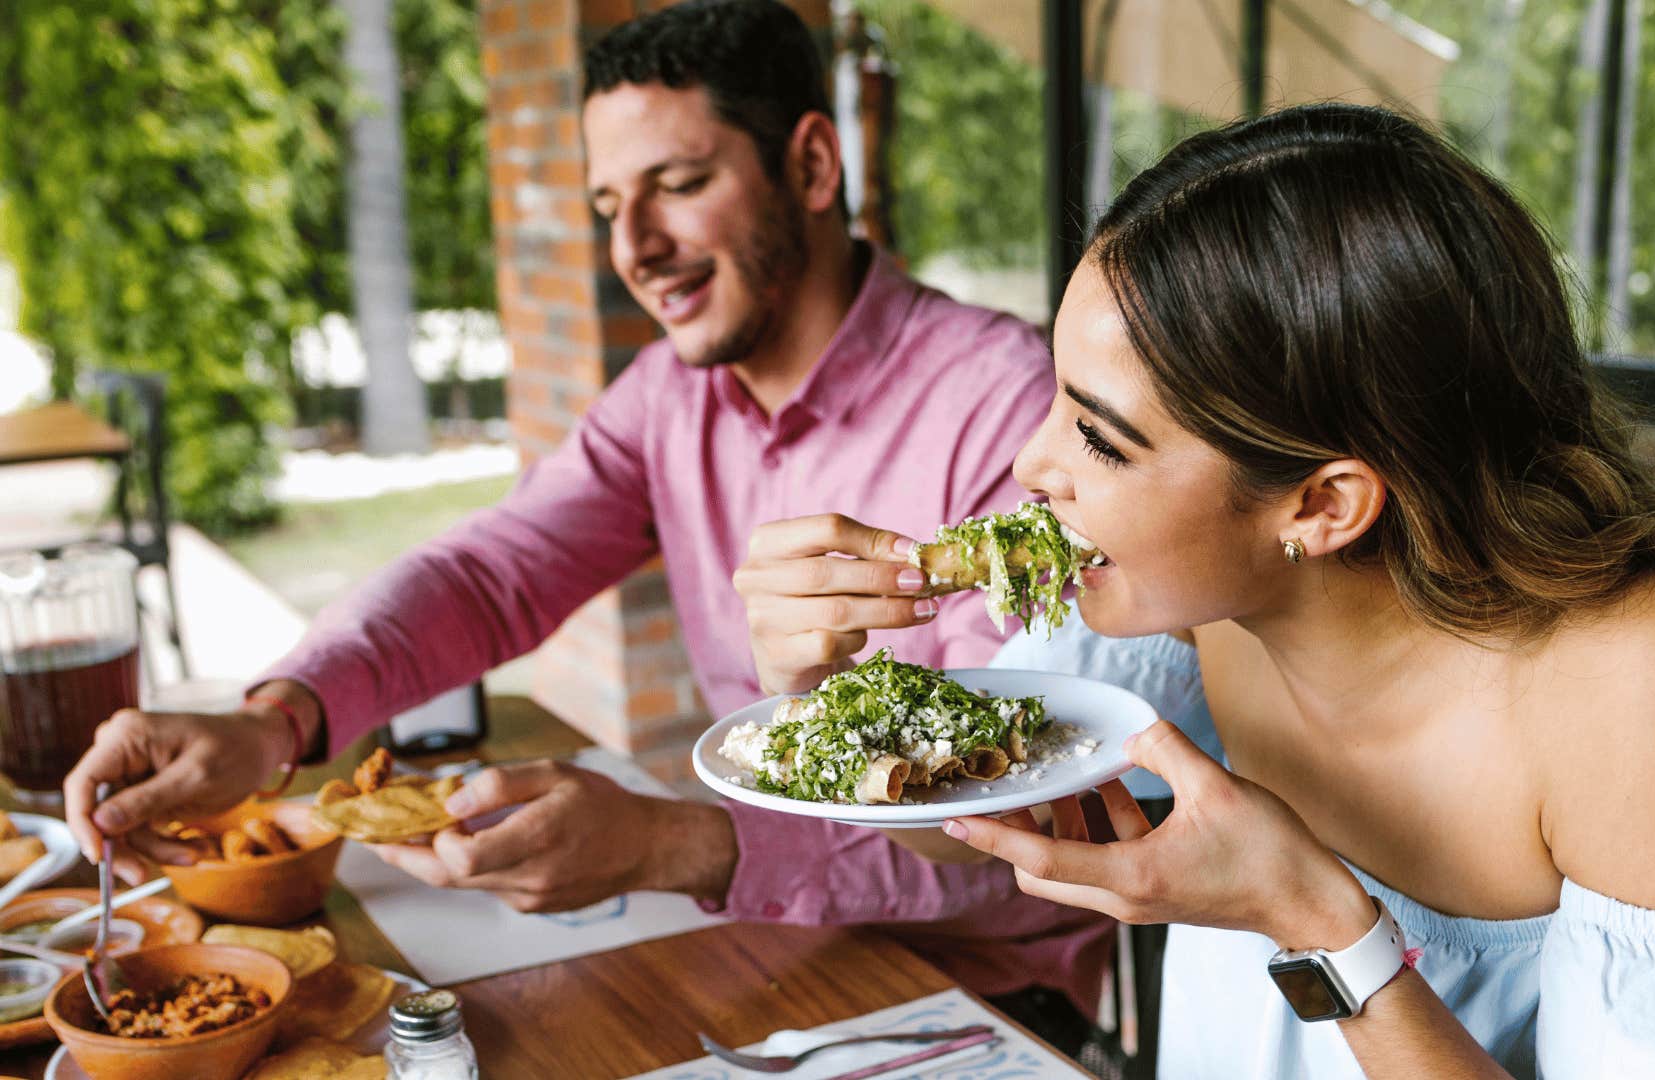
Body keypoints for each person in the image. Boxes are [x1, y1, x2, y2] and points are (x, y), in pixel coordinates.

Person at [738, 104, 1655, 1077]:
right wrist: (819, 700)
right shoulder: (1200, 612)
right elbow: (988, 833)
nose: (1031, 471)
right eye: (1058, 401)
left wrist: (1320, 920)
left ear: (1324, 506)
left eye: (1100, 438)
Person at [60, 0, 1109, 1039]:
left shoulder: (1006, 409)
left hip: (984, 999)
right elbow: (496, 571)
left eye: (681, 185)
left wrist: (675, 847)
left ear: (814, 165)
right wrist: (276, 721)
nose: (636, 248)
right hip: (762, 946)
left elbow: (1022, 846)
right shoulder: (667, 396)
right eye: (610, 205)